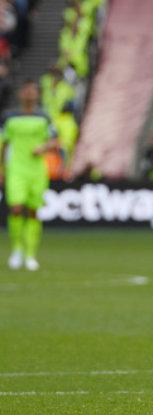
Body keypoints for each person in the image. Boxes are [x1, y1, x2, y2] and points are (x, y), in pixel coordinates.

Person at [0, 80, 58, 271]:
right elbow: (4, 143)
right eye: (26, 90)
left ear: (37, 95)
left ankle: (30, 254)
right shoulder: (9, 117)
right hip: (16, 168)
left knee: (33, 211)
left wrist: (43, 147)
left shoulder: (44, 118)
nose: (29, 93)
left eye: (32, 91)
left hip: (36, 170)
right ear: (20, 94)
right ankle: (16, 249)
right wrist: (1, 168)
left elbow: (55, 141)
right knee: (16, 208)